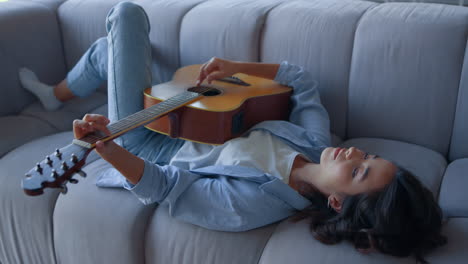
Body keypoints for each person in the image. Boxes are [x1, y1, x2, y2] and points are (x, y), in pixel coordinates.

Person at [18, 2, 446, 262]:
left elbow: (167, 187)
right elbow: (302, 79)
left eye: (358, 173)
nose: (354, 155)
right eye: (368, 158)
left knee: (126, 15)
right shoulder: (315, 142)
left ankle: (58, 94)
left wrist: (110, 150)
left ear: (335, 202)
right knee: (111, 51)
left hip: (150, 142)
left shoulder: (253, 204)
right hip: (192, 109)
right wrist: (236, 68)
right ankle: (55, 95)